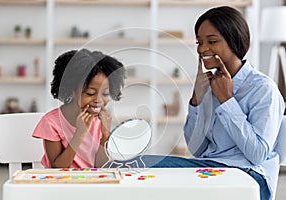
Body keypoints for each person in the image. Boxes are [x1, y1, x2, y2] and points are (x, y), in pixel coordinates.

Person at [141, 6, 284, 200]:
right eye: (199, 42)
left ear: (234, 41)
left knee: (146, 167)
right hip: (212, 168)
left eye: (212, 41)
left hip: (248, 174)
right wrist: (196, 100)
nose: (201, 49)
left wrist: (227, 101)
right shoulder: (210, 87)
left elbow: (257, 154)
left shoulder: (263, 89)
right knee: (141, 165)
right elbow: (196, 149)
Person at [33, 48, 126, 169]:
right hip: (60, 184)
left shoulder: (99, 121)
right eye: (90, 93)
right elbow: (58, 169)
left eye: (105, 94)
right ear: (72, 91)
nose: (98, 100)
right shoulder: (52, 123)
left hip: (91, 183)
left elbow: (100, 166)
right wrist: (80, 133)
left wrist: (105, 135)